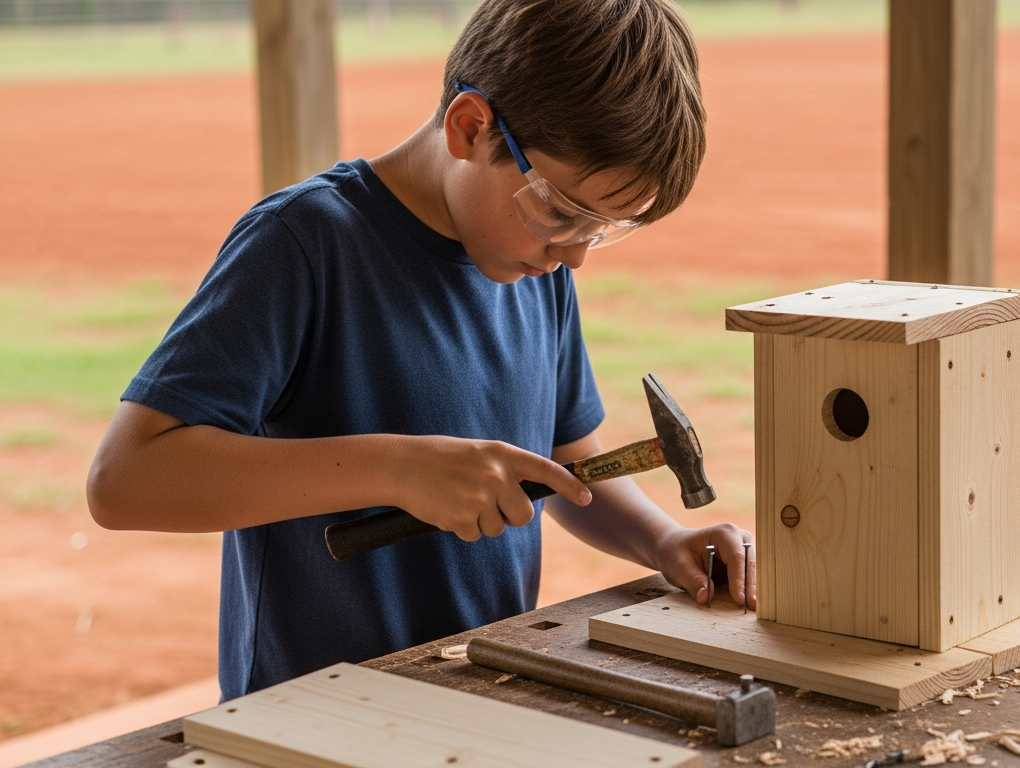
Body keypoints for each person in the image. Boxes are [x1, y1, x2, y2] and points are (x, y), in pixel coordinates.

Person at [86, 0, 752, 701]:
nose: (577, 255)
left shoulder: (534, 265)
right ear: (471, 127)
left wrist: (662, 539)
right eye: (561, 212)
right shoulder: (305, 244)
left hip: (475, 690)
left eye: (603, 229)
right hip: (309, 714)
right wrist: (400, 469)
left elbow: (567, 459)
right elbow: (126, 479)